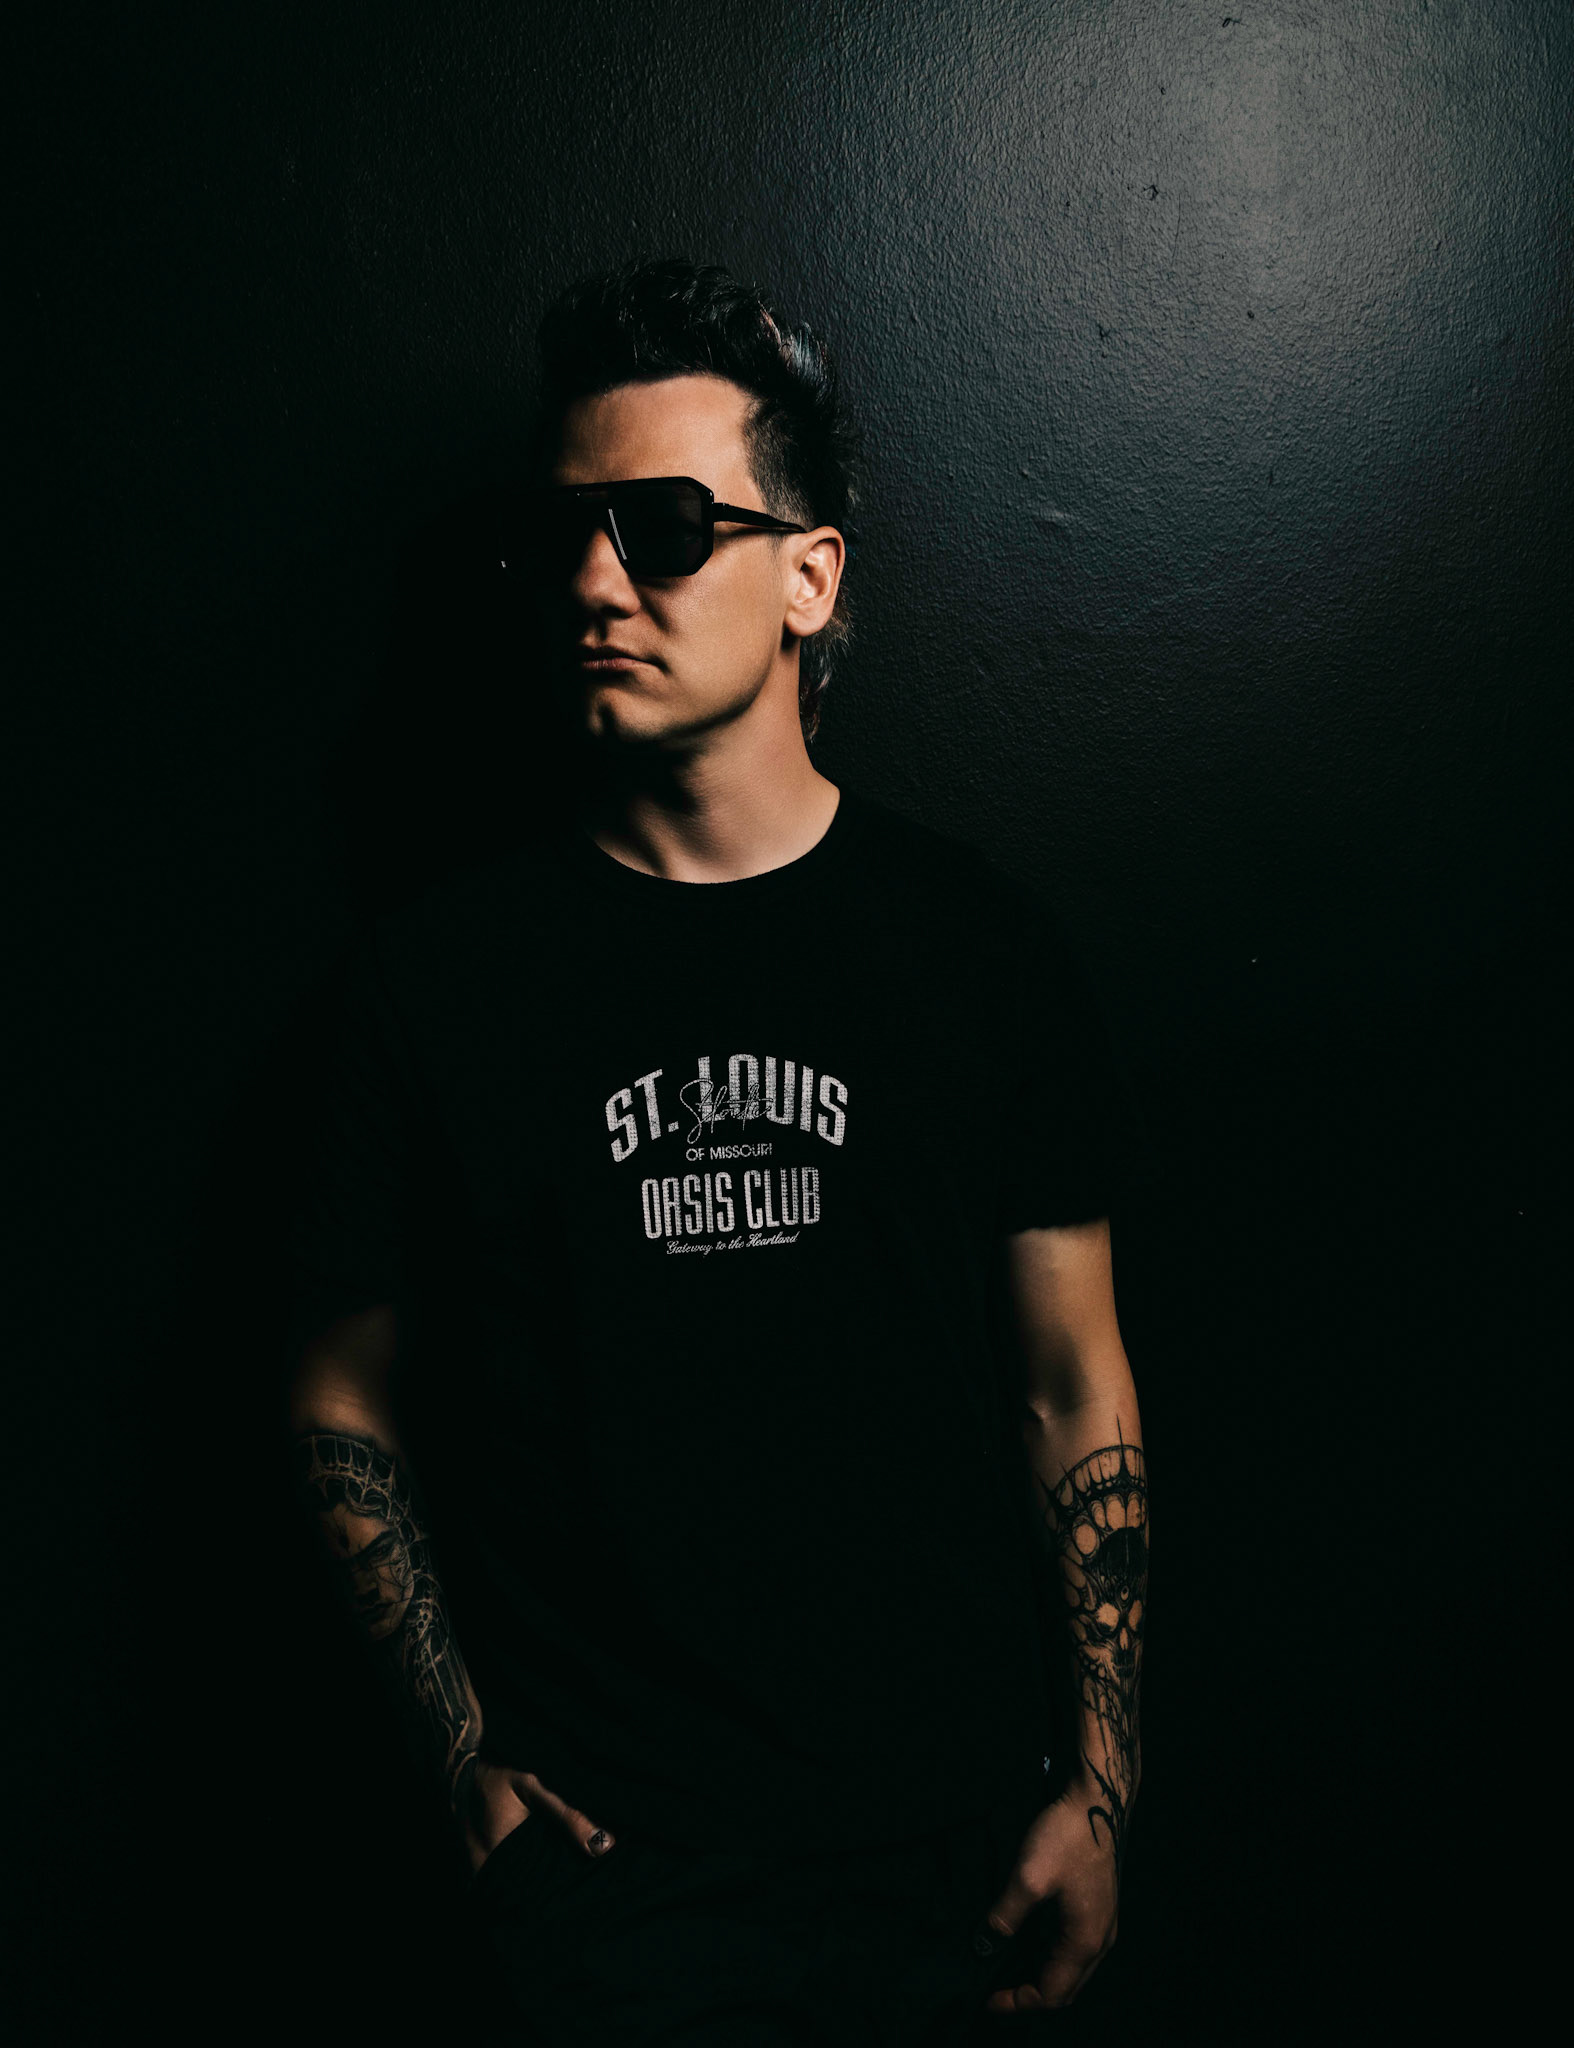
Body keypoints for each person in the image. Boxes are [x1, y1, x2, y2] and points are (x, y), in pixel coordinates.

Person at [285, 256, 1148, 2045]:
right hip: (597, 1904)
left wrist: (1101, 1787)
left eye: (666, 529)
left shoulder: (976, 955)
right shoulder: (438, 987)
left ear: (806, 576)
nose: (598, 583)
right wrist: (460, 1768)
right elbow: (339, 1391)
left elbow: (1071, 1380)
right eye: (568, 534)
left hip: (943, 1881)